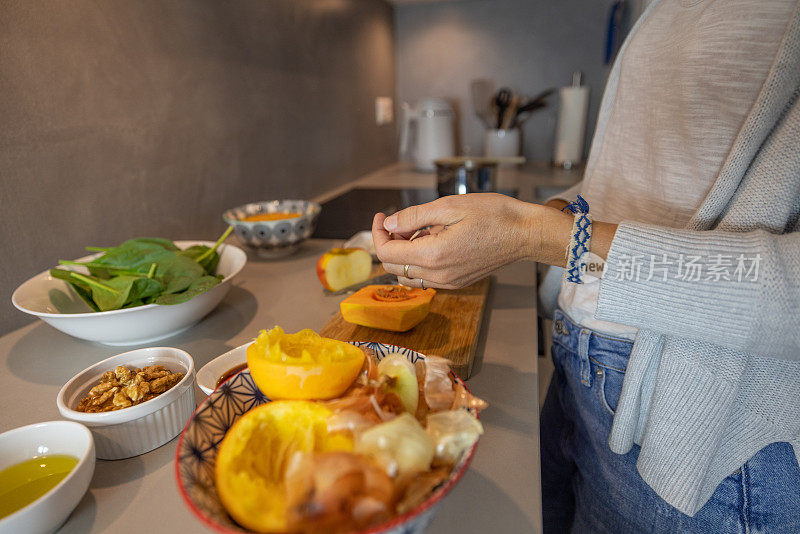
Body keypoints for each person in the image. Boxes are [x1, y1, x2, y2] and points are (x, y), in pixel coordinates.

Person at [371, 0, 800, 532]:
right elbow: (624, 188)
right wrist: (543, 218)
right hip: (577, 367)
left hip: (695, 433)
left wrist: (535, 235)